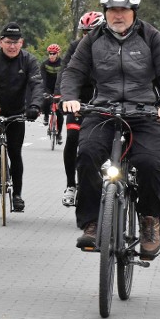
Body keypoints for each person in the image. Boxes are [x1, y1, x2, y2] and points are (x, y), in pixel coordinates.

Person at [61, 0, 160, 260]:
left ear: (133, 12)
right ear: (105, 12)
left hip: (145, 114)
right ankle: (92, 223)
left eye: (123, 10)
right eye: (113, 10)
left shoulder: (152, 37)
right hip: (104, 110)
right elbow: (73, 72)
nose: (118, 15)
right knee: (88, 154)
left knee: (150, 164)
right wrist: (70, 97)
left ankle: (149, 220)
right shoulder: (91, 40)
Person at [0, 22, 44, 213]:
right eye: (8, 42)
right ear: (1, 42)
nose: (12, 46)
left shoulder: (28, 60)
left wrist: (35, 106)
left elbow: (37, 84)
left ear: (22, 43)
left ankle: (17, 195)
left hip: (17, 110)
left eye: (16, 42)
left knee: (15, 153)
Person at [56, 11, 104, 206]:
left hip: (104, 100)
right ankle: (71, 185)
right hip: (80, 101)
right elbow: (66, 71)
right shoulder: (76, 47)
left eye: (91, 32)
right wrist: (63, 97)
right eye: (84, 32)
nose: (87, 36)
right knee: (73, 138)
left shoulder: (111, 48)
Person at [40, 43, 64, 144]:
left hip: (59, 87)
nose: (52, 55)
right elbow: (43, 79)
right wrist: (45, 91)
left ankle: (59, 134)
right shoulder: (44, 64)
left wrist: (61, 92)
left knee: (59, 112)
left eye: (54, 53)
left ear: (58, 54)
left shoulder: (62, 64)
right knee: (45, 100)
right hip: (48, 87)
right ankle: (46, 115)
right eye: (50, 53)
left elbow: (63, 78)